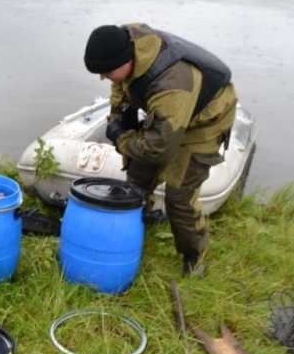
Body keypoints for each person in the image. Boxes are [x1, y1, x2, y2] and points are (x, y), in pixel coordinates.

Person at [83, 23, 238, 278]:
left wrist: (121, 137)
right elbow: (119, 87)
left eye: (106, 71)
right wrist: (119, 116)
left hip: (206, 121)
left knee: (179, 198)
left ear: (126, 60)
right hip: (172, 114)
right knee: (136, 177)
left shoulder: (172, 83)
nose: (103, 77)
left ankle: (195, 255)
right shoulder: (126, 42)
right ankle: (134, 227)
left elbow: (159, 150)